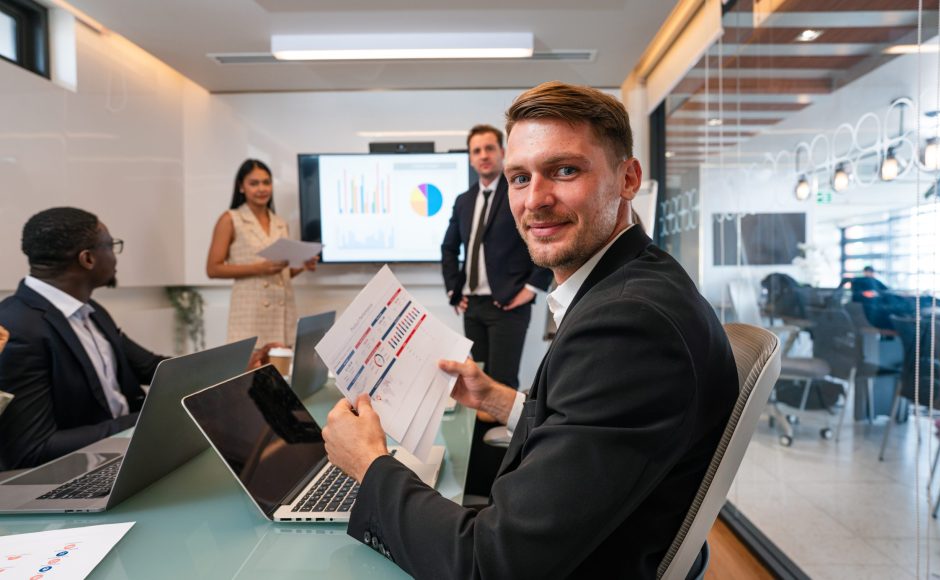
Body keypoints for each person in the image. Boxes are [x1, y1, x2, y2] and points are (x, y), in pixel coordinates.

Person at [322, 82, 739, 577]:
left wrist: (369, 464)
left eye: (565, 170)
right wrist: (501, 400)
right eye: (519, 178)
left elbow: (491, 565)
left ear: (628, 178)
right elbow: (592, 430)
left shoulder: (629, 324)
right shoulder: (633, 281)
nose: (535, 199)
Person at [0, 207, 167, 470]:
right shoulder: (17, 328)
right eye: (111, 245)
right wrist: (147, 420)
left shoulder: (91, 310)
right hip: (81, 470)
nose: (115, 256)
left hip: (128, 450)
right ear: (87, 258)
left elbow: (152, 367)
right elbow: (32, 449)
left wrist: (229, 368)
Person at [441, 124, 553, 496]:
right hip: (473, 306)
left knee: (500, 391)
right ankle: (479, 481)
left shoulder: (519, 193)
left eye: (490, 148)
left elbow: (542, 232)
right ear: (470, 157)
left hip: (508, 305)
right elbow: (449, 248)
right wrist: (453, 290)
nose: (483, 155)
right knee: (474, 390)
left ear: (502, 152)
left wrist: (533, 288)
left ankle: (504, 487)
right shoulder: (462, 200)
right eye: (476, 150)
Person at [206, 159, 316, 347]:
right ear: (241, 187)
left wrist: (302, 266)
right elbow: (213, 269)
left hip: (281, 312)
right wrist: (259, 268)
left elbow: (281, 273)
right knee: (251, 373)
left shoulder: (280, 223)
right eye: (254, 183)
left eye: (266, 182)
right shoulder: (230, 219)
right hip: (250, 314)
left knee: (281, 374)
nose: (262, 188)